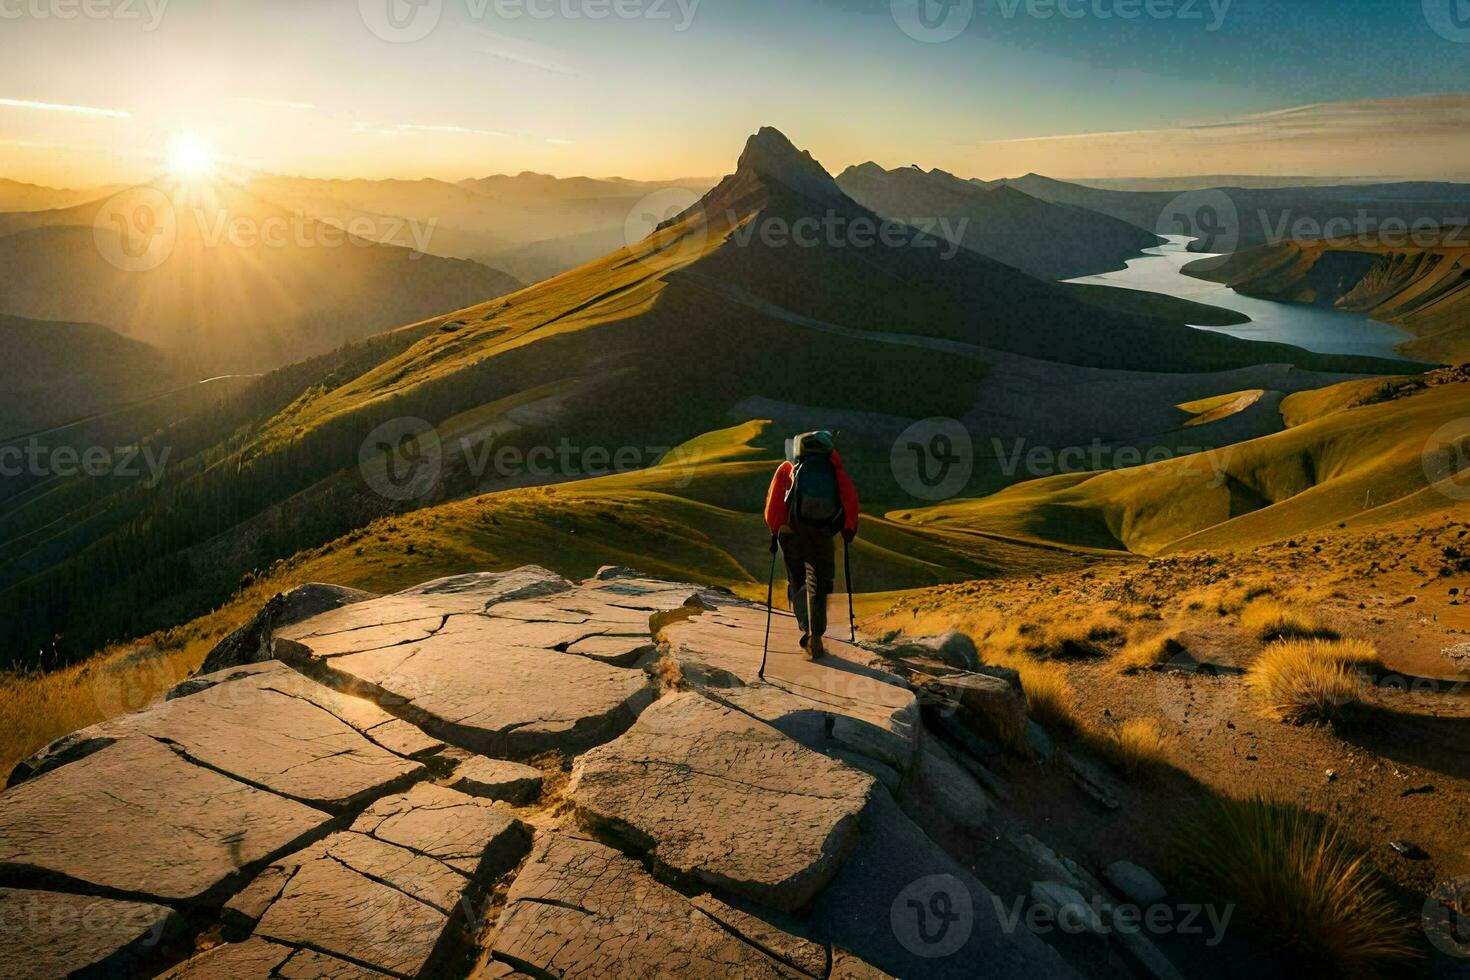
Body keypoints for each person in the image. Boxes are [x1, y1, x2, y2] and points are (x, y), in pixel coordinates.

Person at [763, 431, 860, 659]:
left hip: (792, 535)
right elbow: (850, 501)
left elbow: (774, 506)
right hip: (823, 534)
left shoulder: (788, 470)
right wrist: (848, 531)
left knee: (797, 581)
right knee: (820, 584)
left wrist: (775, 531)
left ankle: (806, 627)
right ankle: (816, 634)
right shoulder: (835, 472)